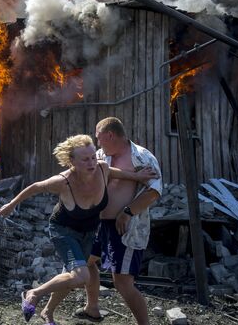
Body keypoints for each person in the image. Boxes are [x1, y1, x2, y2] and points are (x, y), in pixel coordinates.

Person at [0, 134, 156, 324]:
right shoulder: (63, 181)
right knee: (81, 276)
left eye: (93, 157)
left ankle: (51, 311)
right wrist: (11, 205)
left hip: (88, 232)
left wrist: (136, 176)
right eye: (85, 159)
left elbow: (115, 172)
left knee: (73, 275)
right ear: (72, 161)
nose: (92, 163)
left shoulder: (102, 169)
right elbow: (35, 187)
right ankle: (33, 293)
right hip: (64, 231)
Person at [76, 117, 162, 325]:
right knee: (86, 262)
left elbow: (154, 191)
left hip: (125, 227)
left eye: (99, 139)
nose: (98, 144)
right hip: (98, 224)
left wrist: (127, 212)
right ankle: (92, 308)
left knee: (122, 282)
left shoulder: (141, 157)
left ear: (110, 135)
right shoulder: (99, 156)